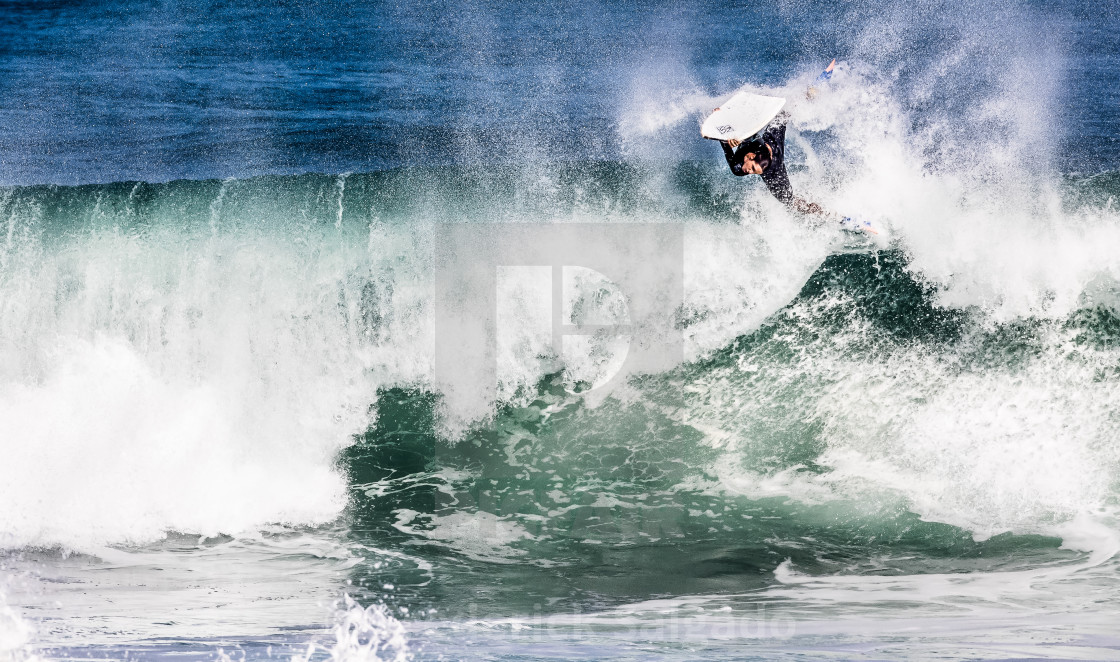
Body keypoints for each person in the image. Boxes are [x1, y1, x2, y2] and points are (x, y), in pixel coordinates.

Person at [718, 111, 829, 217]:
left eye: (753, 170)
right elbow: (751, 134)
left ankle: (825, 213)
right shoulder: (756, 144)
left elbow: (725, 145)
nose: (749, 172)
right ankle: (826, 213)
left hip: (774, 158)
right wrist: (737, 135)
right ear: (750, 157)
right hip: (765, 146)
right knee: (778, 119)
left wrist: (726, 136)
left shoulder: (738, 168)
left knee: (788, 199)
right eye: (752, 168)